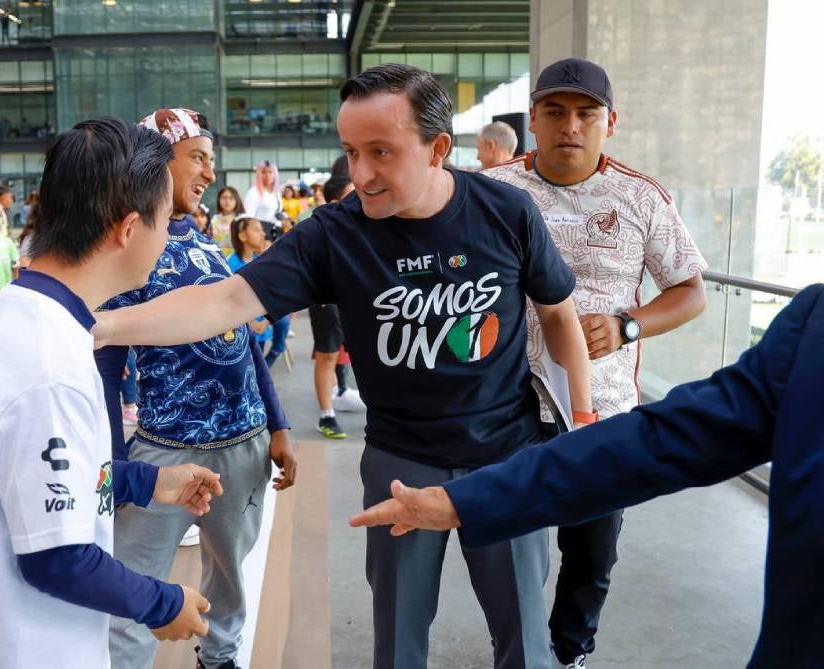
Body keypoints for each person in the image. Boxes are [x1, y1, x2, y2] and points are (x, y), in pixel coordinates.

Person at [93, 64, 596, 669]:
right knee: (399, 640)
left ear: (437, 148)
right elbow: (226, 302)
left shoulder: (505, 212)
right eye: (351, 152)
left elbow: (560, 314)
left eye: (380, 152)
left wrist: (583, 416)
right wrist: (97, 327)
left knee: (525, 640)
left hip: (508, 452)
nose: (360, 175)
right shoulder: (336, 233)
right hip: (401, 459)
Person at [350, 282, 824, 669]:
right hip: (528, 437)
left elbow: (688, 293)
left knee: (586, 566)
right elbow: (660, 441)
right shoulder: (813, 325)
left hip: (572, 414)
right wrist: (465, 500)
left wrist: (626, 331)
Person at [0, 116, 225, 669]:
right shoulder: (50, 363)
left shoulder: (14, 312)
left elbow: (28, 475)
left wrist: (149, 481)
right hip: (12, 648)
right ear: (128, 229)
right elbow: (57, 557)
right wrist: (162, 601)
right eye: (165, 220)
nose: (167, 236)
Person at [484, 57, 709, 669]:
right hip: (506, 404)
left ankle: (568, 653)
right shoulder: (496, 190)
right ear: (533, 119)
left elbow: (690, 291)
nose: (570, 126)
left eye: (586, 114)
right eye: (555, 112)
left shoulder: (640, 197)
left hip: (603, 410)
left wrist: (629, 324)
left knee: (592, 548)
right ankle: (520, 648)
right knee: (511, 544)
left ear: (611, 122)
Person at [94, 108, 297, 669]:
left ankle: (220, 657)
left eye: (213, 160)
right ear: (158, 159)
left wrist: (277, 424)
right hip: (163, 453)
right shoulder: (127, 246)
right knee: (135, 583)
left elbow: (246, 341)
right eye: (199, 158)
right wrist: (117, 467)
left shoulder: (205, 241)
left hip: (244, 443)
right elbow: (108, 368)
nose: (210, 173)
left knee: (230, 574)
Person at [310, 166, 366, 440]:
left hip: (353, 300)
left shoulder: (360, 224)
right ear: (334, 201)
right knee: (327, 356)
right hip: (326, 302)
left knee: (353, 354)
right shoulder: (322, 226)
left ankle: (343, 394)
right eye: (350, 195)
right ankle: (326, 415)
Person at [227, 214, 273, 351]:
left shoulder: (261, 261)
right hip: (241, 331)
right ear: (242, 236)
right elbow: (231, 299)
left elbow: (269, 293)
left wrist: (266, 320)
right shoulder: (230, 263)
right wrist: (249, 322)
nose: (263, 233)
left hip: (261, 329)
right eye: (257, 230)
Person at [243, 160, 281, 231]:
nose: (267, 175)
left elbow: (278, 212)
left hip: (274, 231)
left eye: (270, 172)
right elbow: (248, 217)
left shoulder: (276, 193)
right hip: (259, 231)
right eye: (264, 172)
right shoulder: (253, 192)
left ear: (275, 174)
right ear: (259, 174)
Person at [209, 186, 243, 254]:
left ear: (237, 200)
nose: (227, 201)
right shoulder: (214, 219)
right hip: (217, 258)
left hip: (235, 259)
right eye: (224, 198)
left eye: (231, 198)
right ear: (219, 200)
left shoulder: (241, 219)